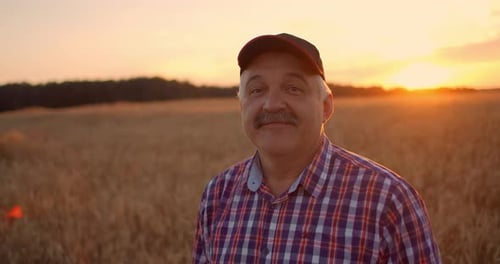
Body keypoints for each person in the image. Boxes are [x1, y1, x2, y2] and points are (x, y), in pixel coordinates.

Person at [193, 33, 441, 263]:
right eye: (257, 90)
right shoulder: (217, 195)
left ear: (326, 106)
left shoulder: (388, 201)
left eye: (293, 88)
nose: (271, 104)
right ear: (242, 107)